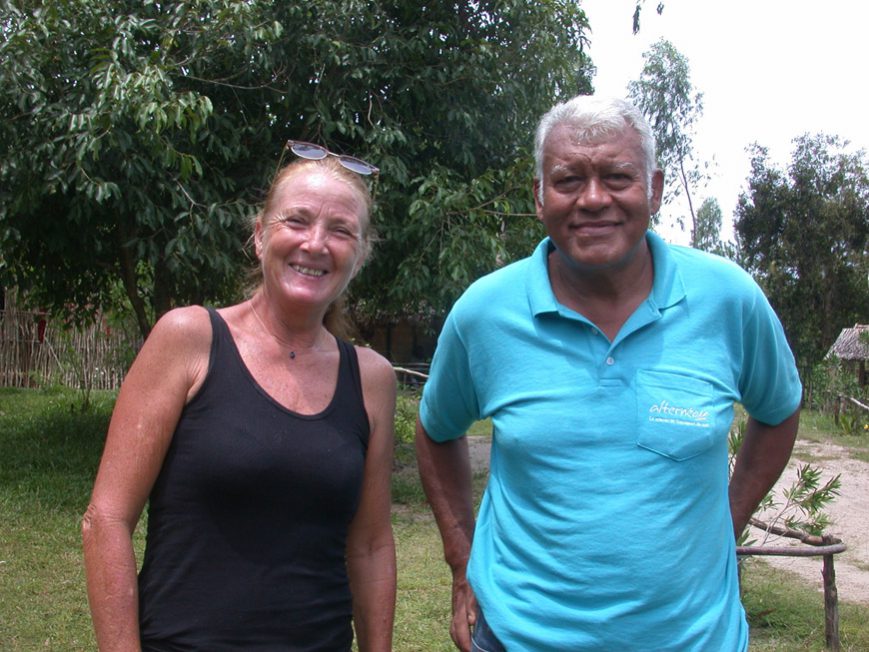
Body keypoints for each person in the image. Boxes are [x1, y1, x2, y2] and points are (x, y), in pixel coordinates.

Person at [415, 96, 801, 652]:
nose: (593, 199)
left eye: (618, 177)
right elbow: (436, 429)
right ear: (539, 196)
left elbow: (780, 409)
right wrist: (461, 559)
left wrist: (729, 520)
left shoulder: (728, 299)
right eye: (568, 179)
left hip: (694, 640)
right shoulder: (484, 314)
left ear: (655, 188)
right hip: (519, 636)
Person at [82, 144, 396, 651]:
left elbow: (371, 546)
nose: (315, 244)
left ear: (359, 256)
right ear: (259, 235)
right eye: (296, 221)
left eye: (341, 231)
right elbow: (107, 519)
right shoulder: (189, 339)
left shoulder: (371, 379)